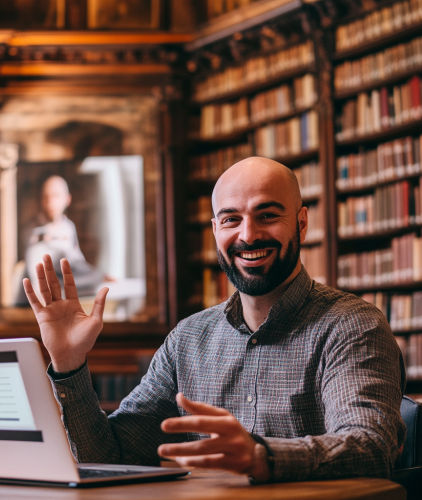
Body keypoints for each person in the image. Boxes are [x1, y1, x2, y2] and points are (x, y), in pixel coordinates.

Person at [23, 157, 406, 483]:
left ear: (302, 224)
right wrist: (69, 363)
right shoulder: (187, 339)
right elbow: (108, 457)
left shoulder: (352, 326)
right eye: (231, 220)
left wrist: (262, 456)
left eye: (267, 215)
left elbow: (371, 446)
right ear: (215, 231)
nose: (248, 235)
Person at [24, 175, 104, 297]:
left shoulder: (69, 227)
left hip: (69, 276)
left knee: (95, 278)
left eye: (56, 196)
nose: (50, 201)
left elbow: (77, 258)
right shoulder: (33, 230)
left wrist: (99, 275)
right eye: (46, 196)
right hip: (47, 282)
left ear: (67, 199)